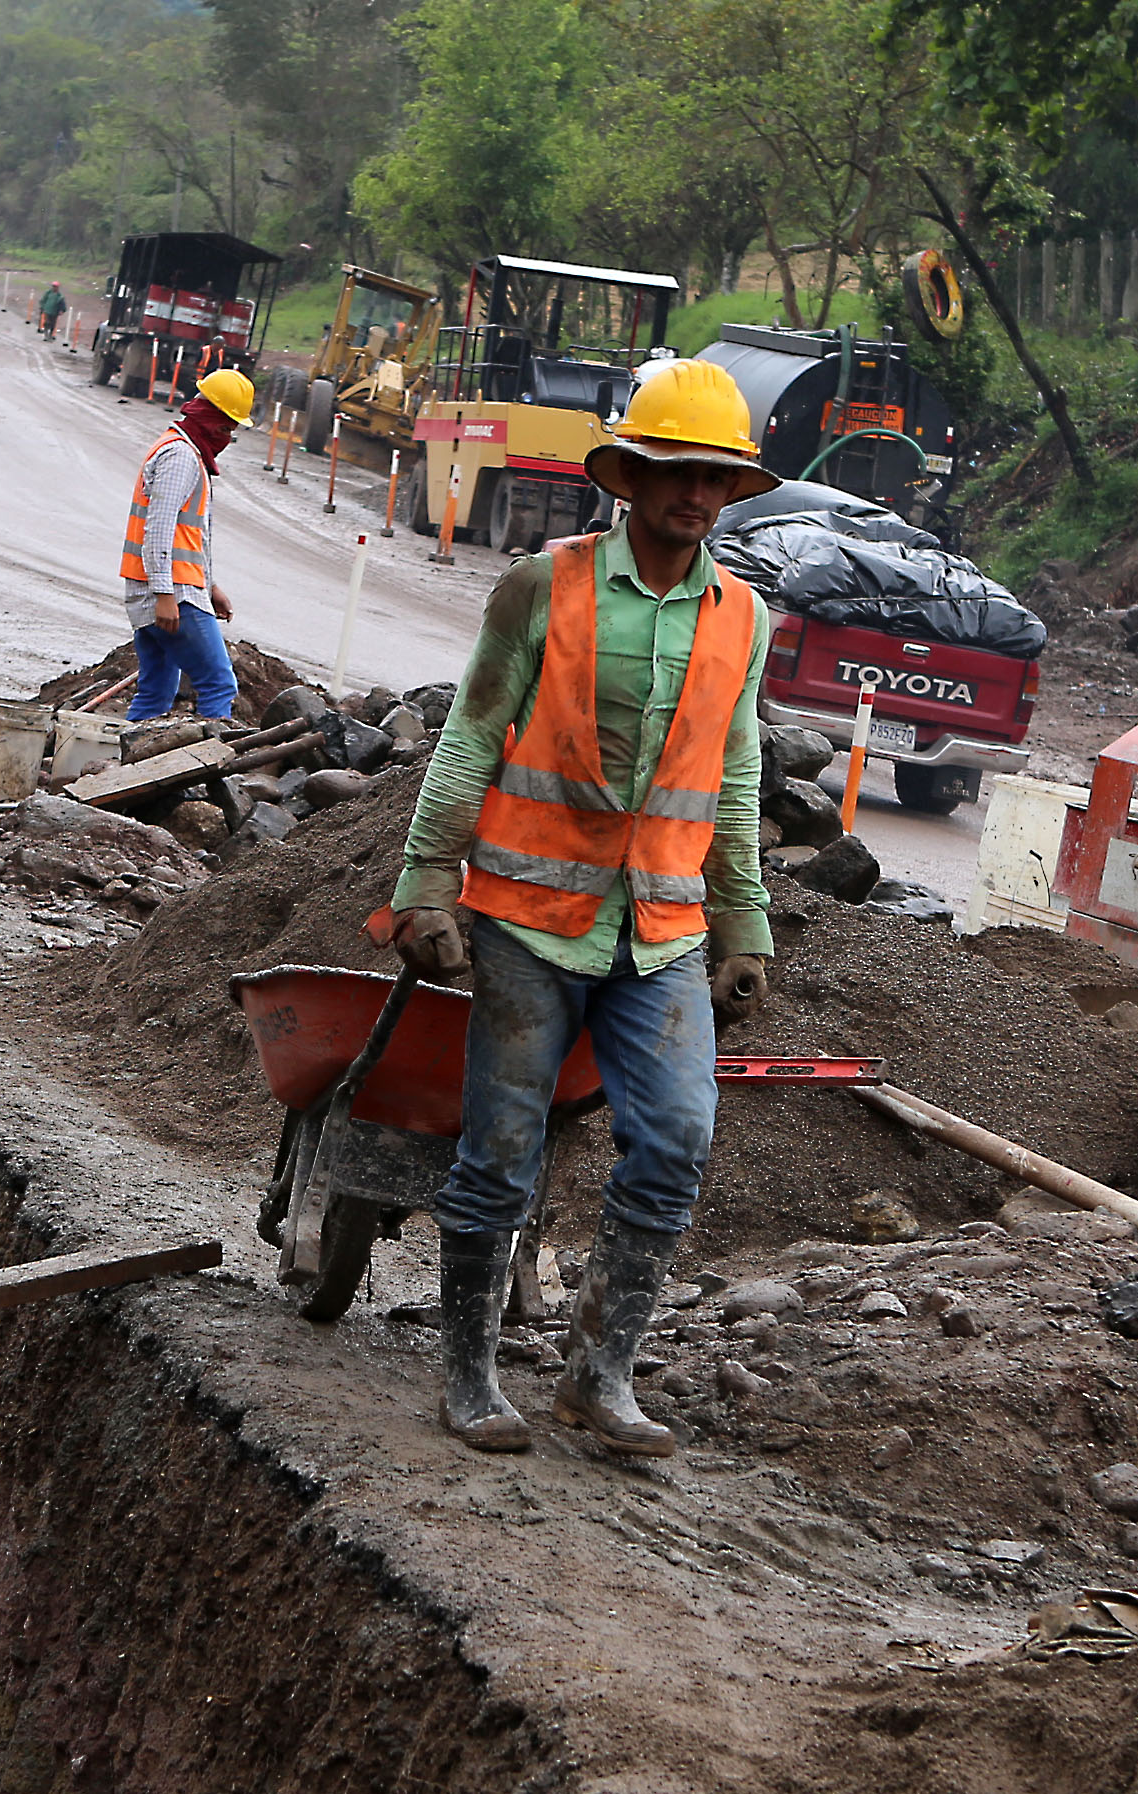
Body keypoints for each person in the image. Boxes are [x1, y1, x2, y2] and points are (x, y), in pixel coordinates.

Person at [386, 358, 779, 1457]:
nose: (694, 495)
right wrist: (426, 881)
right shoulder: (542, 588)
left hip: (659, 936)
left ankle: (598, 1373)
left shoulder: (742, 619)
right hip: (529, 921)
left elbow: (734, 776)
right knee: (502, 1151)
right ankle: (470, 1371)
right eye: (674, 471)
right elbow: (471, 734)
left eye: (714, 478)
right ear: (630, 475)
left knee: (677, 1140)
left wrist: (745, 922)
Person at [122, 366, 251, 722]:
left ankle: (125, 773)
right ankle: (209, 771)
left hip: (162, 590)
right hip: (173, 595)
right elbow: (159, 528)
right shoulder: (181, 457)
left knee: (156, 692)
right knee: (218, 683)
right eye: (224, 428)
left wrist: (210, 586)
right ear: (207, 417)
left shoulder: (184, 451)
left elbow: (188, 535)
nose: (226, 437)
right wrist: (165, 594)